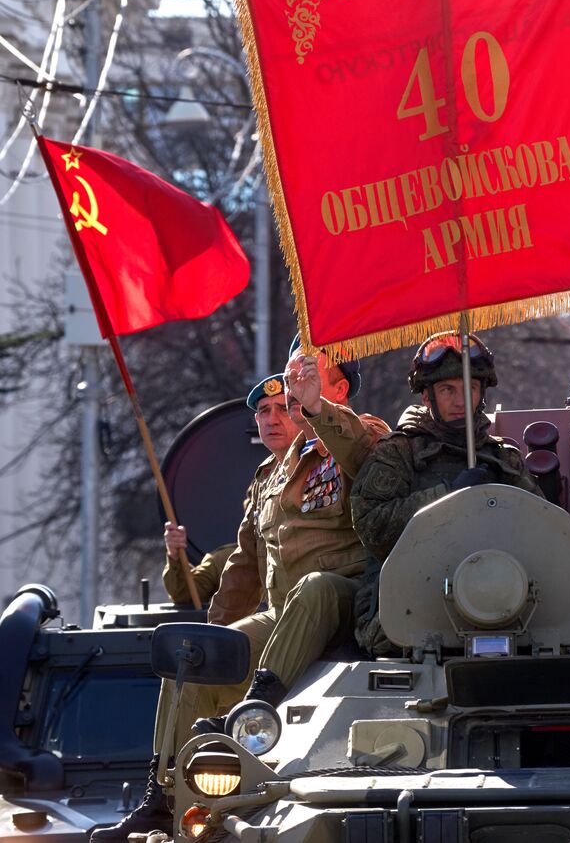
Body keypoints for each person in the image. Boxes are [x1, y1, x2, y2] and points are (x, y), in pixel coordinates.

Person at [92, 345, 388, 842]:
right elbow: (242, 571)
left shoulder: (365, 438)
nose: (300, 387)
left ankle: (250, 713)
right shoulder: (270, 475)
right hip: (283, 617)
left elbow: (365, 458)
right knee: (194, 656)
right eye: (298, 376)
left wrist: (318, 410)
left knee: (316, 589)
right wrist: (213, 641)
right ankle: (161, 798)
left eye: (313, 378)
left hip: (344, 605)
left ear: (338, 390)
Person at [350, 331, 541, 656]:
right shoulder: (398, 453)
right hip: (408, 608)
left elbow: (543, 534)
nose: (460, 400)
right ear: (428, 398)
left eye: (470, 388)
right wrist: (449, 497)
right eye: (447, 390)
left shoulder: (503, 459)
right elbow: (371, 528)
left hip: (504, 602)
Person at [160, 374, 290, 606]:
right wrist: (175, 554)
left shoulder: (298, 548)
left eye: (283, 408)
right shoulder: (227, 560)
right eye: (264, 411)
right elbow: (186, 594)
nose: (272, 420)